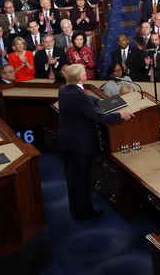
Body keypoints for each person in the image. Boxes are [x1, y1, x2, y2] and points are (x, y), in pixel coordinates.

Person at [57, 64, 133, 220]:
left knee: (72, 179)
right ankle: (85, 212)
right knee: (82, 180)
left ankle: (76, 210)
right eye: (84, 72)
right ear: (81, 77)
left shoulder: (64, 89)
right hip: (80, 146)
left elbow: (88, 99)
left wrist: (104, 102)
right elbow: (98, 117)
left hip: (66, 142)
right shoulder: (79, 95)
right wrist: (120, 116)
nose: (86, 73)